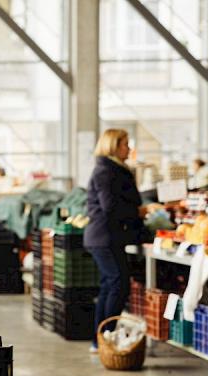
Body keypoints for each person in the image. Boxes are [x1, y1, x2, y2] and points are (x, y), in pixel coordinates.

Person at [84, 129, 144, 353]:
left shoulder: (112, 169)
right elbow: (110, 206)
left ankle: (100, 339)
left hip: (107, 237)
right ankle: (106, 335)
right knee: (118, 284)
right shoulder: (106, 172)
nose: (128, 148)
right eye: (125, 144)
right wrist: (139, 211)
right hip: (104, 237)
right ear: (113, 146)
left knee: (110, 285)